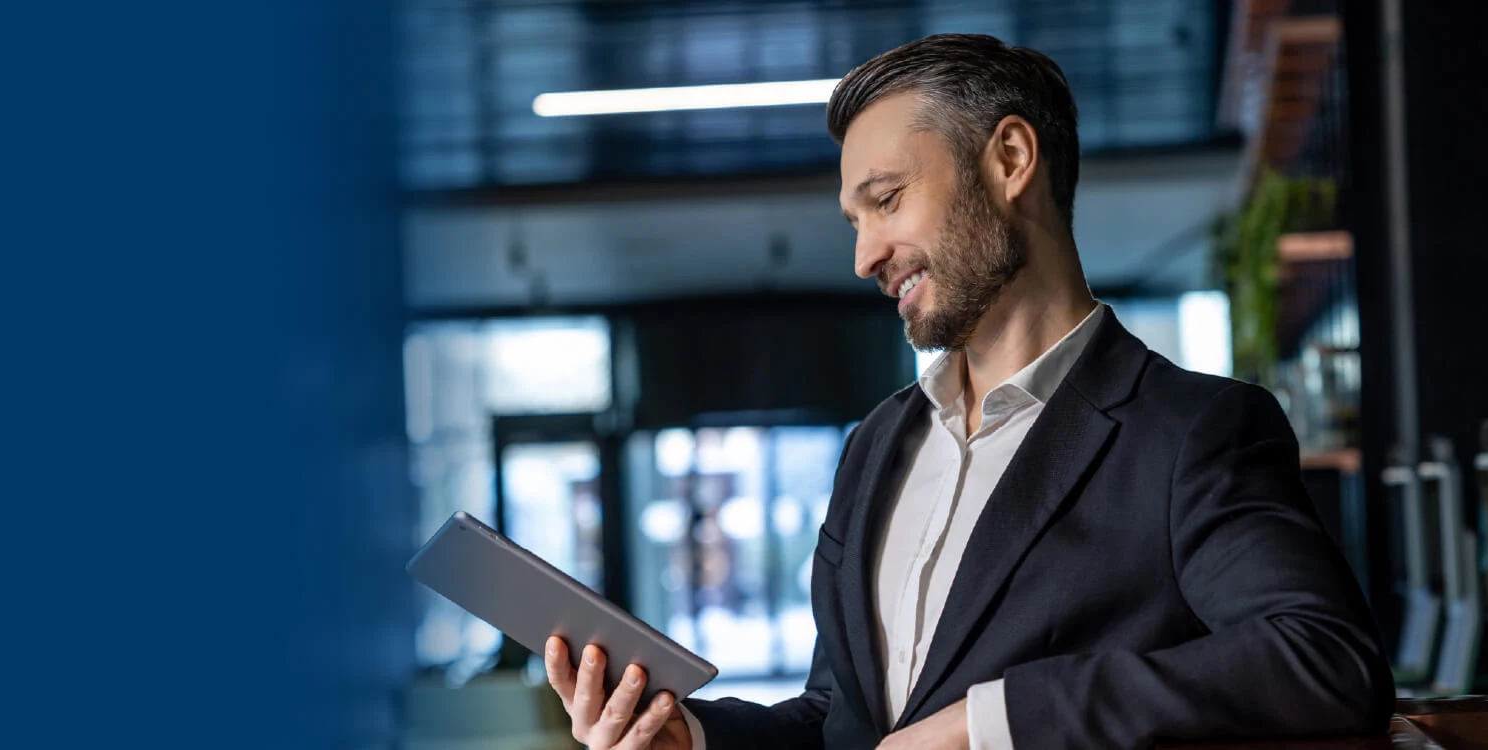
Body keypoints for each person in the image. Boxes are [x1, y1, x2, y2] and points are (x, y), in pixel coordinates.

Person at [541, 33, 1391, 750]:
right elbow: (843, 719)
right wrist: (691, 735)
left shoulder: (1191, 430)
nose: (864, 256)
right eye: (856, 221)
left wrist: (991, 722)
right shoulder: (877, 444)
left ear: (1011, 160)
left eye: (887, 201)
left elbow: (1324, 660)